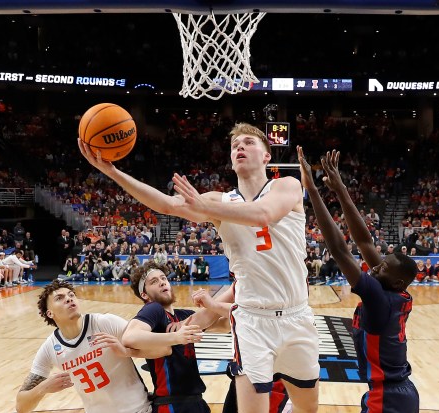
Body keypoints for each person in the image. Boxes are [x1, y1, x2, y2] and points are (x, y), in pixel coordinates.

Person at [79, 123, 319, 413]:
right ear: (231, 160)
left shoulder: (287, 185)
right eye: (235, 146)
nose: (240, 147)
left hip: (297, 316)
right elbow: (167, 205)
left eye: (248, 143)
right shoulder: (218, 200)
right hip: (252, 321)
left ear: (267, 157)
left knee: (308, 409)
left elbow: (263, 214)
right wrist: (112, 172)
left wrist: (204, 209)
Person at [298, 147, 419, 413]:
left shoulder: (378, 298)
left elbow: (339, 249)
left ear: (397, 281)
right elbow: (364, 241)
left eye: (381, 268)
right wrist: (340, 188)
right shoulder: (394, 287)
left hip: (387, 398)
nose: (374, 268)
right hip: (396, 392)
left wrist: (314, 191)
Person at [16, 279, 169, 413]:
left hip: (138, 409)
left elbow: (162, 349)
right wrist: (44, 388)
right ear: (50, 313)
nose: (69, 299)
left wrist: (127, 351)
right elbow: (21, 406)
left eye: (71, 295)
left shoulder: (104, 323)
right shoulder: (50, 348)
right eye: (59, 298)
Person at [123, 261, 209, 413]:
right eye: (154, 281)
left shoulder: (184, 315)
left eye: (163, 278)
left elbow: (224, 325)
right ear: (144, 294)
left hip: (196, 401)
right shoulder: (154, 309)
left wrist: (212, 304)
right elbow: (130, 337)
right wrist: (176, 337)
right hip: (171, 405)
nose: (162, 282)